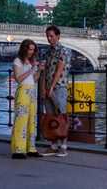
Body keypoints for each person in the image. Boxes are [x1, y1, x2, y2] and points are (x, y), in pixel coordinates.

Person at [39, 25, 71, 157]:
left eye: (51, 36)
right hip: (47, 87)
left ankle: (63, 146)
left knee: (61, 115)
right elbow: (45, 70)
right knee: (51, 116)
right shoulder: (47, 52)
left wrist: (51, 86)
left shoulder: (64, 50)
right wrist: (42, 87)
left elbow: (60, 69)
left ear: (58, 36)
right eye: (48, 36)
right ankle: (53, 145)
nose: (49, 38)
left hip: (59, 87)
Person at [10, 39, 41, 159]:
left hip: (32, 91)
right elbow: (18, 79)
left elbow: (34, 79)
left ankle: (31, 148)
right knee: (21, 120)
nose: (31, 52)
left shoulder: (31, 62)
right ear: (24, 49)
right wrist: (31, 69)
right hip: (23, 91)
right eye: (29, 49)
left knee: (32, 120)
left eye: (33, 50)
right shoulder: (17, 61)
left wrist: (39, 70)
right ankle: (18, 149)